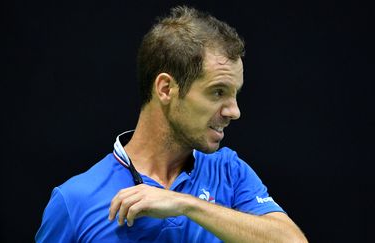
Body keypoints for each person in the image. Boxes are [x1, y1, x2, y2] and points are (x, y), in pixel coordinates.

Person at [36, 5, 308, 242]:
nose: (234, 111)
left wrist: (186, 205)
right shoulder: (74, 202)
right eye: (218, 92)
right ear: (166, 89)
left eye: (235, 93)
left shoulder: (230, 171)